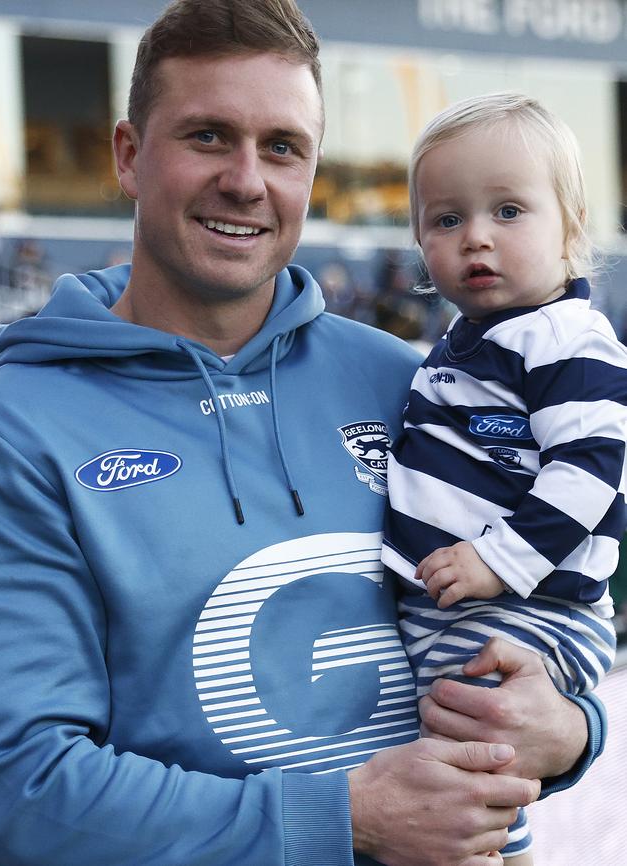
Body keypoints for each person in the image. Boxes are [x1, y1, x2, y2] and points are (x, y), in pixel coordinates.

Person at [0, 7, 605, 865]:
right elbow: (25, 788)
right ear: (128, 154)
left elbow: (541, 610)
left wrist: (568, 727)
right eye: (207, 136)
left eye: (282, 148)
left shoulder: (407, 381)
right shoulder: (15, 429)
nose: (246, 180)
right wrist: (344, 818)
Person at [382, 92, 625, 863]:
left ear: (572, 230)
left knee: (469, 754)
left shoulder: (565, 339)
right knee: (445, 748)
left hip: (534, 606)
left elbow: (591, 471)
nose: (476, 238)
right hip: (459, 610)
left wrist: (499, 560)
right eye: (446, 220)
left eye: (509, 211)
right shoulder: (465, 340)